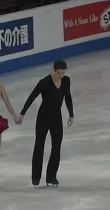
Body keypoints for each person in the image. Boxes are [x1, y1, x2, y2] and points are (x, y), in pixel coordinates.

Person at [16, 60, 74, 188]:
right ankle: (36, 177)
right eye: (59, 73)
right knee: (39, 146)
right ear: (53, 70)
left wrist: (71, 114)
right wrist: (22, 113)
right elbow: (32, 97)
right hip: (43, 118)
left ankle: (51, 177)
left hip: (56, 118)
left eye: (63, 73)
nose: (61, 76)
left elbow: (68, 96)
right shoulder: (44, 82)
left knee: (56, 147)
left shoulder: (66, 81)